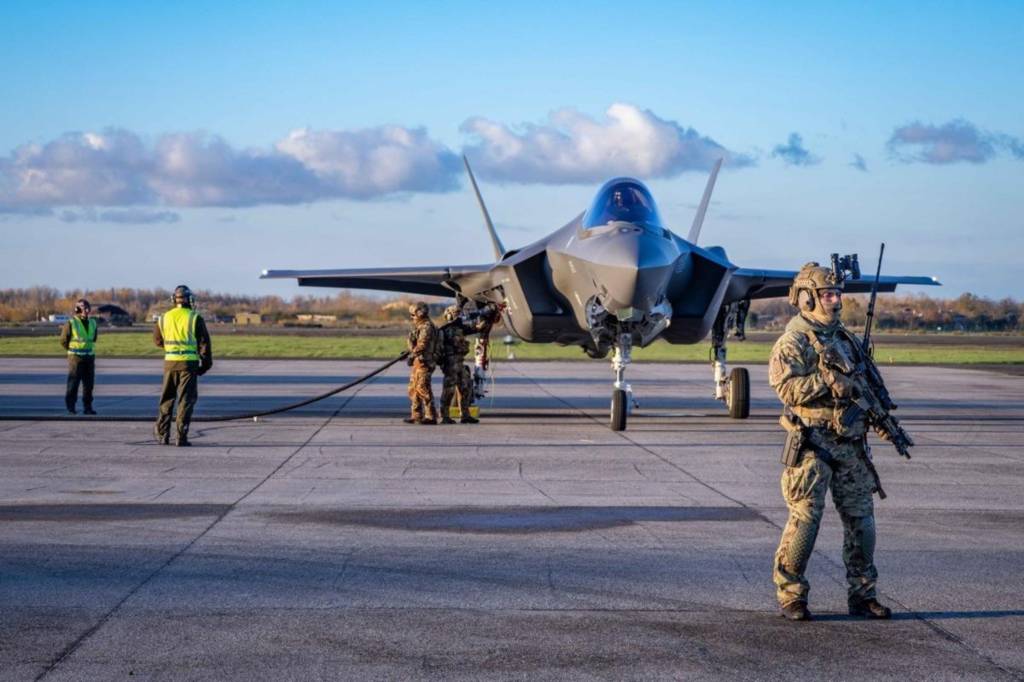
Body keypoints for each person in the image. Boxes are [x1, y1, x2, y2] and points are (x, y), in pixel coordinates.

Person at [768, 262, 892, 622]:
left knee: (862, 522)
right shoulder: (792, 342)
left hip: (850, 442)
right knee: (806, 520)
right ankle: (792, 595)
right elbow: (786, 388)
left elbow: (863, 384)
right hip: (812, 443)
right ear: (806, 298)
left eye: (837, 294)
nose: (835, 301)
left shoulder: (847, 339)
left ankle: (863, 594)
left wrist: (877, 415)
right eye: (827, 295)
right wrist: (826, 380)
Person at [153, 285, 213, 446]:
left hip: (170, 364)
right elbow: (204, 344)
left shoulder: (164, 318)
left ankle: (162, 434)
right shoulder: (194, 318)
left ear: (174, 300)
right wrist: (205, 365)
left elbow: (158, 341)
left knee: (167, 399)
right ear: (189, 300)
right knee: (185, 400)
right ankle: (181, 436)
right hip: (188, 365)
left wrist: (173, 348)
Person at [438, 305, 479, 424]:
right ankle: (445, 416)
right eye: (456, 313)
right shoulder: (447, 330)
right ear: (450, 315)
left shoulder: (460, 328)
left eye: (459, 313)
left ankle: (465, 415)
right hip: (451, 363)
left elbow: (473, 329)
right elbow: (458, 345)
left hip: (459, 363)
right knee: (449, 390)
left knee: (465, 388)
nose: (459, 316)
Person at [59, 298, 98, 415]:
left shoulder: (93, 323)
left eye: (87, 307)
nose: (85, 309)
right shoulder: (71, 323)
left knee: (89, 385)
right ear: (77, 309)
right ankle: (71, 407)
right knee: (73, 383)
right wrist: (72, 351)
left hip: (89, 357)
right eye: (82, 307)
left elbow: (94, 338)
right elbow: (63, 341)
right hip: (75, 358)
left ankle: (88, 407)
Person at [404, 302, 438, 425]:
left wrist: (412, 355)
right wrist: (409, 352)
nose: (411, 317)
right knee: (413, 389)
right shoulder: (420, 326)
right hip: (418, 362)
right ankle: (416, 415)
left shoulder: (426, 327)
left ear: (420, 313)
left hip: (425, 362)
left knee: (423, 388)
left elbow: (422, 344)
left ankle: (431, 416)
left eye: (413, 314)